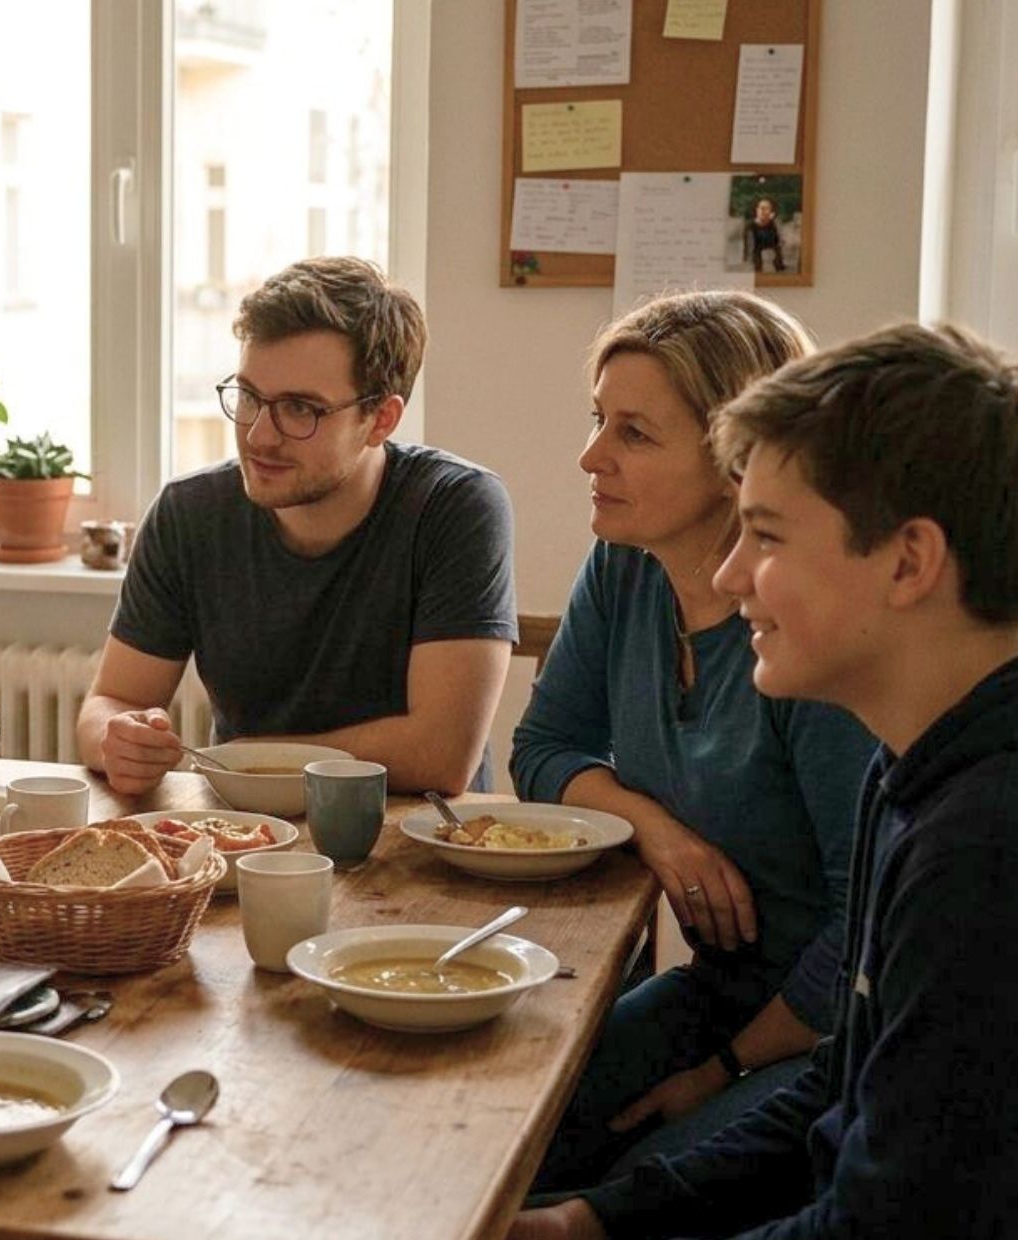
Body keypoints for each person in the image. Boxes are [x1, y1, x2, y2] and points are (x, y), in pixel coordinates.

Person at [513, 322, 1018, 1239]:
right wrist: (594, 1222)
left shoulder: (981, 850)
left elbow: (876, 1220)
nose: (735, 574)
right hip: (741, 1004)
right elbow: (843, 1090)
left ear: (910, 561)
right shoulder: (912, 768)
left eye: (767, 535)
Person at [513, 291, 877, 1191]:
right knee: (503, 1124)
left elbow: (863, 933)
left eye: (634, 433)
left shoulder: (801, 628)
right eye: (599, 420)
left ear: (735, 460)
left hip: (826, 1036)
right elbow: (543, 748)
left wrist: (721, 1073)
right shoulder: (624, 566)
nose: (590, 456)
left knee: (613, 1200)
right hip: (718, 992)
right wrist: (654, 828)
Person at [76, 257, 517, 796]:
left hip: (419, 839)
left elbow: (441, 755)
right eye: (249, 397)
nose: (259, 435)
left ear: (381, 419)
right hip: (247, 832)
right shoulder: (188, 513)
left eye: (300, 409)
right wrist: (117, 739)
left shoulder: (455, 507)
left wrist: (258, 758)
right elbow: (110, 702)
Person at [744, 198, 786, 274]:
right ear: (757, 210)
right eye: (761, 208)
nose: (763, 211)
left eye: (767, 208)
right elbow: (750, 249)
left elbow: (778, 243)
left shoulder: (773, 224)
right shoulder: (750, 226)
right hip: (757, 260)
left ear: (771, 212)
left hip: (772, 261)